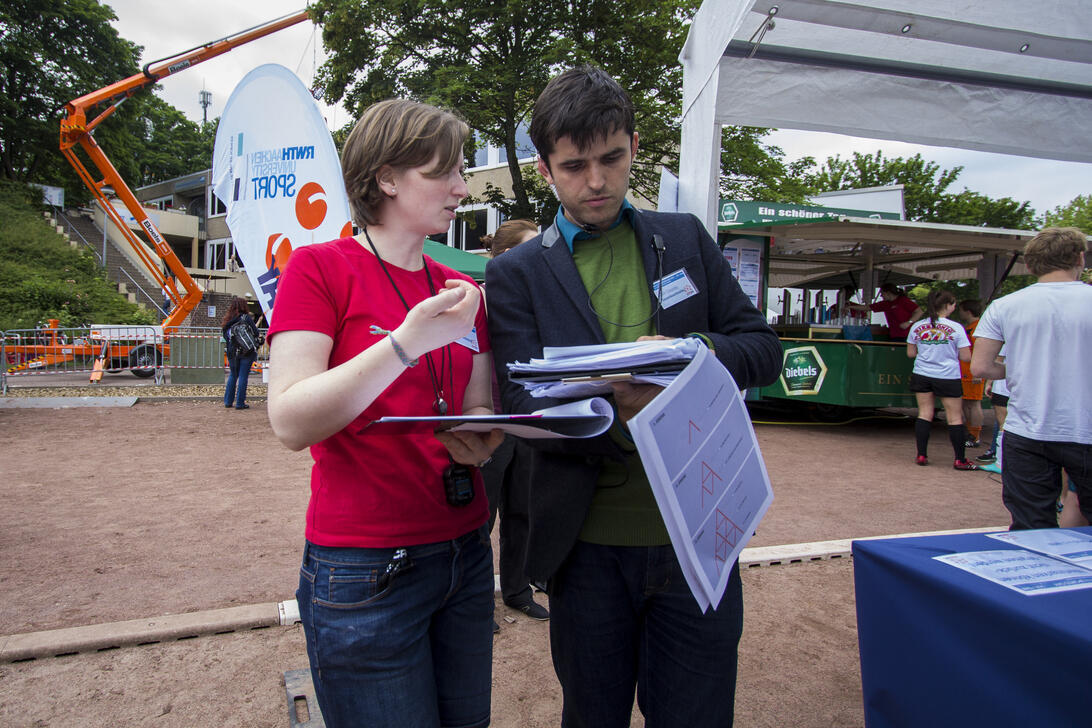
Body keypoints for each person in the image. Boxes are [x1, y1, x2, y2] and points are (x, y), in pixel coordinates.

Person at [485, 66, 782, 727]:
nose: (596, 181)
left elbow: (762, 349)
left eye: (611, 159)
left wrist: (693, 360)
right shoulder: (516, 273)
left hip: (698, 537)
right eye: (574, 165)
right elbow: (517, 401)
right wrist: (604, 406)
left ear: (635, 148)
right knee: (593, 715)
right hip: (586, 545)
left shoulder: (683, 238)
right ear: (544, 168)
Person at [265, 98, 503, 728]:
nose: (461, 187)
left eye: (461, 171)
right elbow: (289, 419)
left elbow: (475, 401)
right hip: (365, 566)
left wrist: (482, 434)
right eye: (443, 172)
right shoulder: (318, 268)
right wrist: (403, 343)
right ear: (386, 178)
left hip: (465, 551)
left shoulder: (460, 288)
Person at [971, 227, 1092, 530]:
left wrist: (1024, 367)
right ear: (1080, 257)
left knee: (1030, 525)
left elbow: (981, 368)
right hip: (1086, 428)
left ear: (1031, 263)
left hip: (1027, 430)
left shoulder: (1004, 306)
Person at [478, 220, 550, 625]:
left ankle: (517, 589)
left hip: (527, 421)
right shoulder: (479, 299)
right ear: (507, 257)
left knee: (522, 510)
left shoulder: (537, 300)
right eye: (532, 247)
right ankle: (476, 600)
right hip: (491, 420)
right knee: (481, 517)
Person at [905, 289, 978, 470]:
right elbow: (966, 357)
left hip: (922, 373)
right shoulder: (956, 328)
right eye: (953, 303)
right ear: (948, 305)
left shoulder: (917, 326)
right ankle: (959, 459)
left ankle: (921, 454)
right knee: (954, 417)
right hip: (947, 375)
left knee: (924, 414)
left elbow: (910, 353)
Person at [221, 296, 260, 410]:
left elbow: (225, 336)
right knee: (243, 376)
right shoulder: (245, 318)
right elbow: (256, 333)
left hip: (232, 352)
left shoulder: (227, 320)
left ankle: (228, 401)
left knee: (233, 375)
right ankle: (240, 402)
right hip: (246, 351)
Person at [955, 299, 985, 447]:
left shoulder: (979, 328)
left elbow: (982, 351)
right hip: (964, 371)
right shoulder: (970, 327)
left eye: (960, 310)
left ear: (968, 311)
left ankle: (975, 435)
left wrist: (978, 373)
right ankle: (970, 433)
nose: (959, 313)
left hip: (973, 372)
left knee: (973, 403)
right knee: (966, 403)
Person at [849, 282, 922, 340]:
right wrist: (850, 307)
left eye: (882, 293)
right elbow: (867, 307)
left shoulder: (903, 301)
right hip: (894, 335)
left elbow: (919, 311)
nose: (881, 296)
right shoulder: (885, 304)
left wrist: (909, 322)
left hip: (907, 336)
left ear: (888, 293)